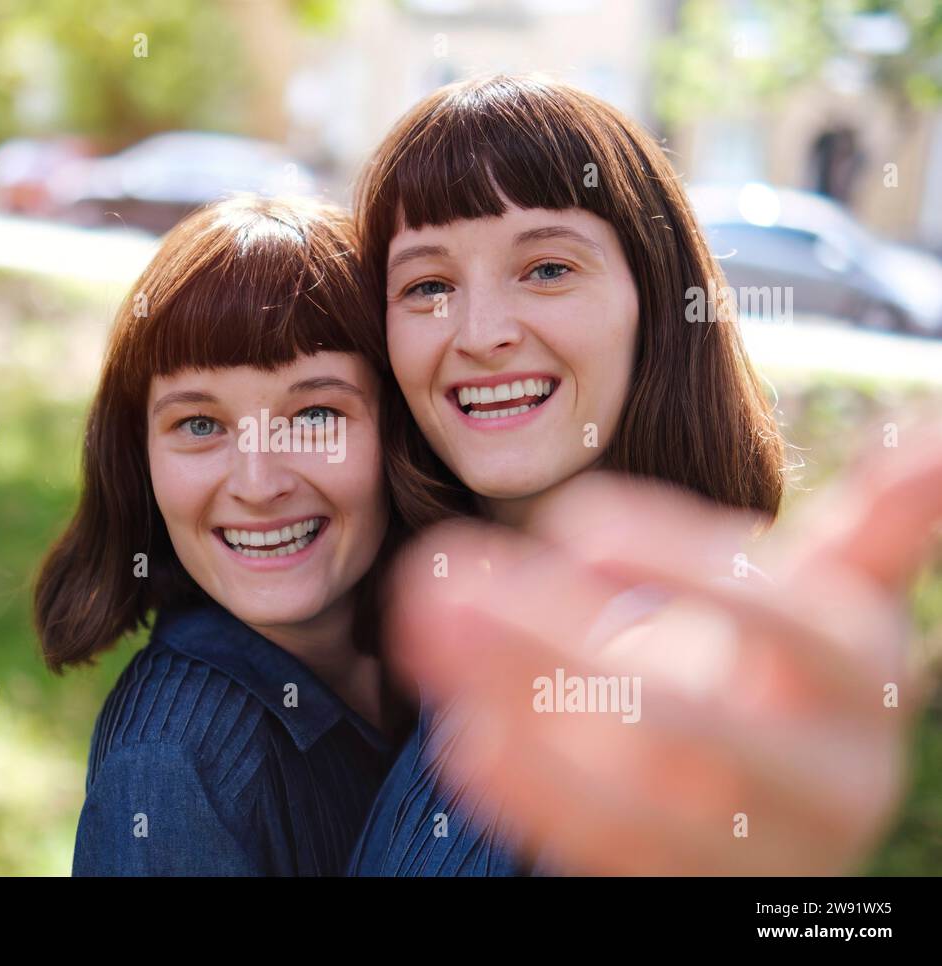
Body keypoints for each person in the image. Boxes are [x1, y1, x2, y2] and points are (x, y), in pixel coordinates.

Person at [347, 73, 941, 875]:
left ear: (655, 300)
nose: (481, 332)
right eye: (427, 285)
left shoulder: (673, 677)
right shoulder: (424, 616)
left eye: (548, 268)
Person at [33, 194, 424, 875]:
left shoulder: (443, 658)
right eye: (200, 425)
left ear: (399, 428)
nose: (257, 483)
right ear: (139, 458)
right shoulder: (174, 768)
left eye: (315, 415)